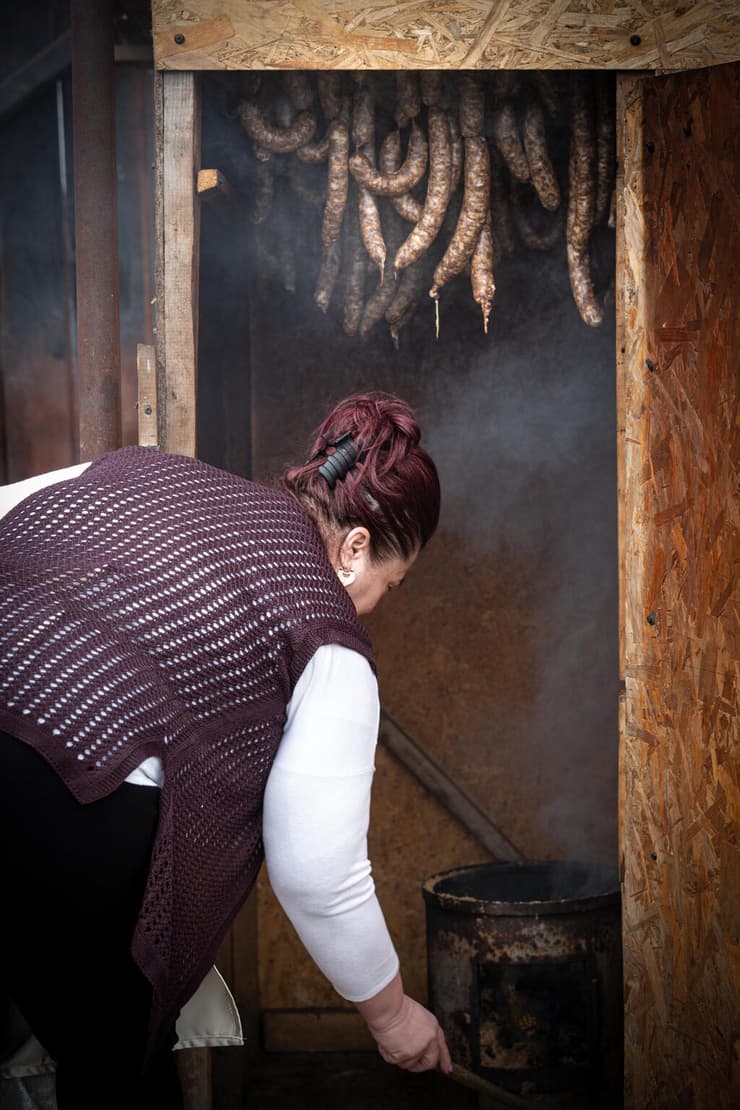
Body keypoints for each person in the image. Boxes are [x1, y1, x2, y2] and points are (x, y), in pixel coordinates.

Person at [0, 391, 451, 1108]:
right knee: (116, 1074)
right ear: (356, 548)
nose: (372, 608)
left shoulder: (145, 472)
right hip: (70, 806)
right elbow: (317, 871)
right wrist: (393, 1016)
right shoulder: (326, 631)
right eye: (387, 588)